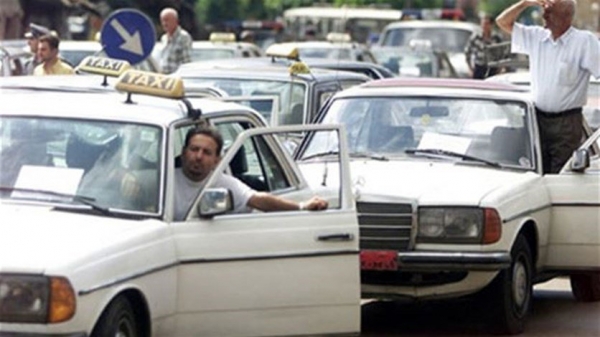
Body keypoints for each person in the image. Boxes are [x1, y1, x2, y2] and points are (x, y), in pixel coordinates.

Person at [496, 0, 600, 174]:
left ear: (565, 17)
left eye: (549, 12)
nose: (544, 15)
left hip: (566, 124)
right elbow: (502, 22)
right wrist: (524, 3)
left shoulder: (583, 42)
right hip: (536, 119)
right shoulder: (537, 37)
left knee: (561, 175)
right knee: (535, 173)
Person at [174, 127, 328, 221]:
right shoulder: (162, 181)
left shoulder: (224, 184)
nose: (199, 156)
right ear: (183, 152)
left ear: (217, 160)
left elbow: (257, 200)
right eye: (194, 149)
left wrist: (302, 206)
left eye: (207, 152)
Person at [465, 15, 503, 79]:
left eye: (487, 24)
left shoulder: (496, 38)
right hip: (479, 66)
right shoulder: (476, 37)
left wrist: (500, 68)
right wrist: (470, 68)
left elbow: (502, 54)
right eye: (483, 24)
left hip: (493, 67)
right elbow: (467, 52)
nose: (484, 26)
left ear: (491, 25)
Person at [158, 7, 192, 74]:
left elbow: (186, 62)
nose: (164, 23)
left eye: (167, 20)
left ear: (175, 21)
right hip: (164, 78)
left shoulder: (184, 37)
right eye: (162, 20)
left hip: (176, 78)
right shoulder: (164, 38)